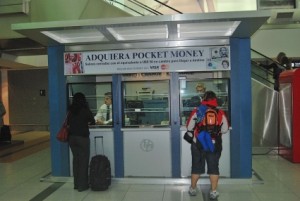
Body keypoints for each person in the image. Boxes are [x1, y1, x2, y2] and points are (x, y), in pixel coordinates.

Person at [186, 91, 229, 200]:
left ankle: (193, 189)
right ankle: (213, 192)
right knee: (214, 167)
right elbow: (225, 130)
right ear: (215, 99)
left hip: (198, 143)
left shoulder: (197, 110)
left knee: (196, 166)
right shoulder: (220, 112)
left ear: (203, 99)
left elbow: (189, 127)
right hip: (213, 144)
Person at [68, 92, 95, 192]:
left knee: (76, 160)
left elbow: (68, 122)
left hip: (71, 138)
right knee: (83, 162)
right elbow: (92, 121)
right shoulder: (85, 110)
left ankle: (76, 184)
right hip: (82, 138)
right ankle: (82, 186)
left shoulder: (70, 110)